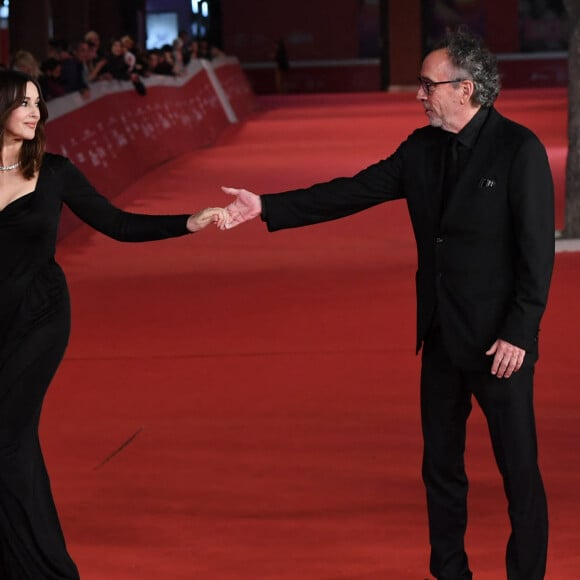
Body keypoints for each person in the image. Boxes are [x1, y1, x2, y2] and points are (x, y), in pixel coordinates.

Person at [218, 29, 554, 580]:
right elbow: (352, 191)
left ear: (466, 88)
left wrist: (520, 332)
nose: (419, 95)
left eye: (428, 85)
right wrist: (267, 206)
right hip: (442, 337)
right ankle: (450, 572)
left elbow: (537, 254)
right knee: (441, 471)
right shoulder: (419, 149)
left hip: (501, 346)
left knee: (519, 474)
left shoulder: (520, 149)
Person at [0, 69, 226, 579]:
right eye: (24, 103)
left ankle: (44, 569)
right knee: (16, 441)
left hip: (40, 318)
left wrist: (186, 223)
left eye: (39, 103)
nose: (36, 111)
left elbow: (117, 224)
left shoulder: (54, 171)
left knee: (8, 438)